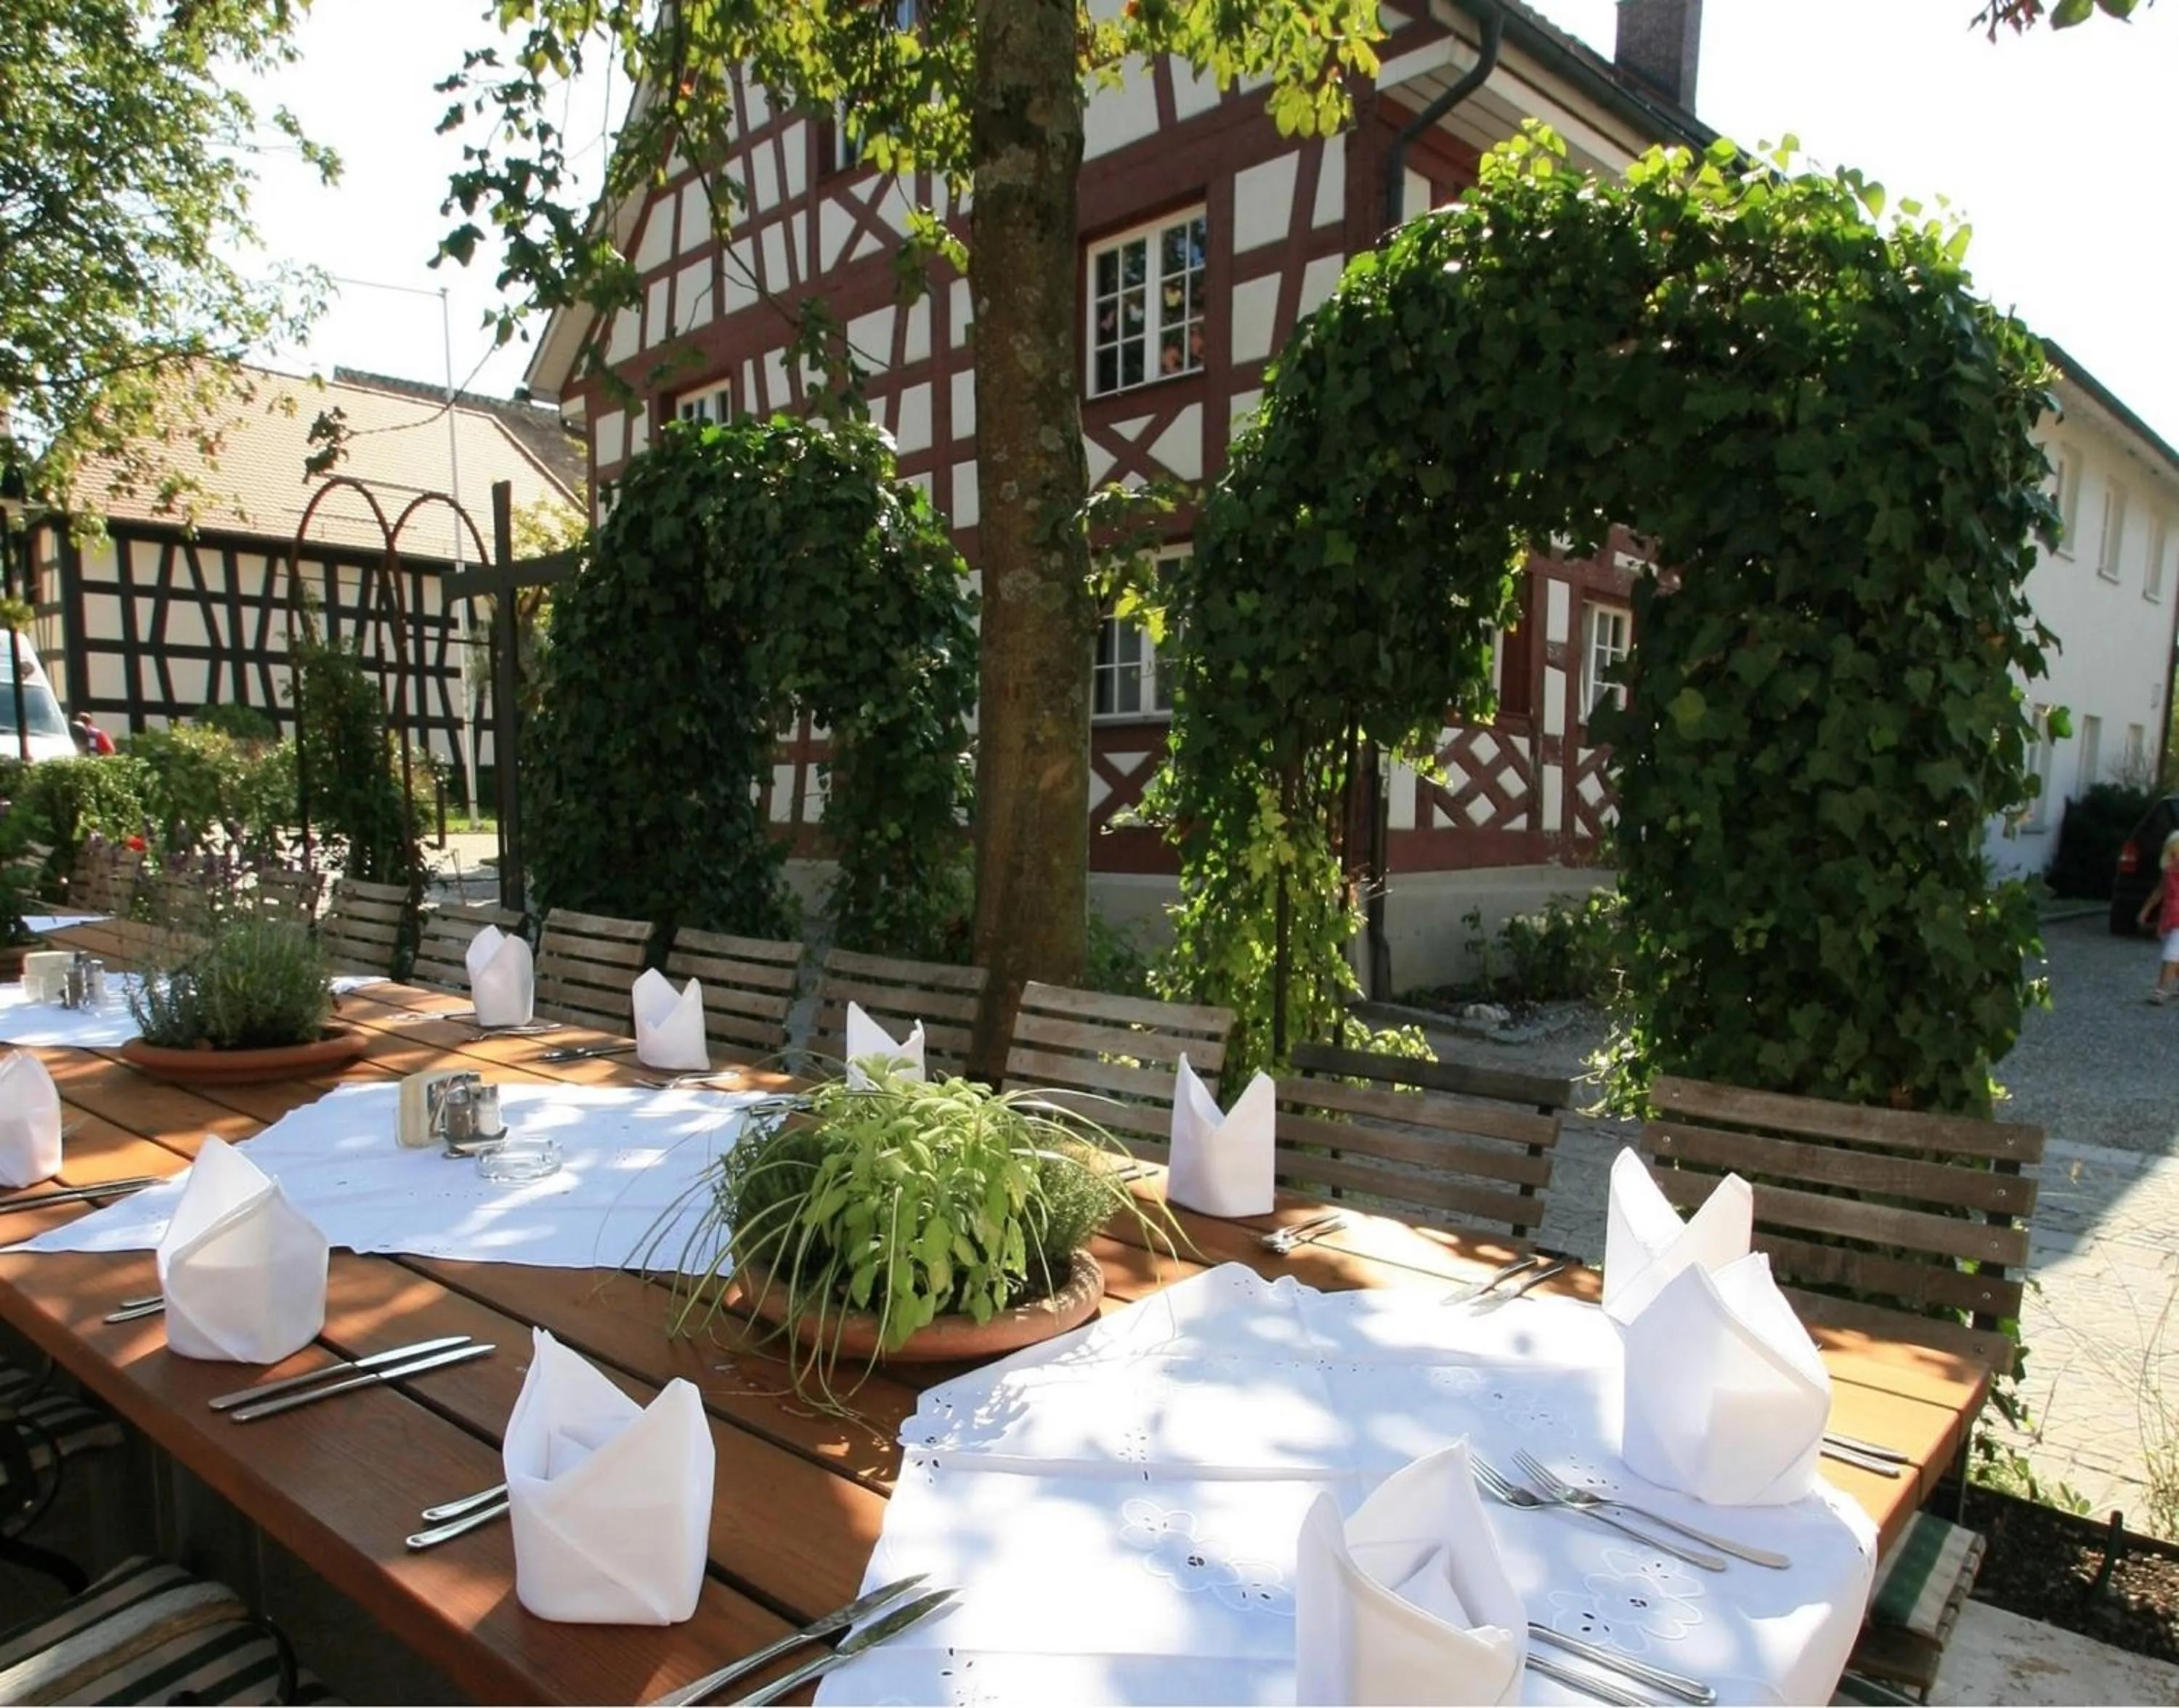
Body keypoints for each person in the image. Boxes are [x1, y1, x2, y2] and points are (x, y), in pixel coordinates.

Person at [2137, 829, 2179, 1004]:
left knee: (2171, 953)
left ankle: (2161, 991)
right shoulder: (2168, 873)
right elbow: (2158, 893)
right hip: (2169, 919)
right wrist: (2144, 912)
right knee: (2175, 955)